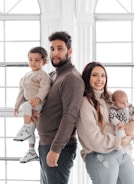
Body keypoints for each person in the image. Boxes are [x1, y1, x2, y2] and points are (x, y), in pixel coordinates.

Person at [77, 62, 134, 184]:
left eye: (103, 76)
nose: (100, 79)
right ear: (87, 77)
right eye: (95, 75)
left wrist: (132, 124)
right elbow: (93, 138)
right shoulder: (85, 103)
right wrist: (120, 141)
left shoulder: (111, 98)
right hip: (100, 155)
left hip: (121, 153)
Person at [35, 31, 84, 184]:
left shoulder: (71, 78)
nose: (55, 53)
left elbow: (70, 116)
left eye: (60, 48)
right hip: (45, 144)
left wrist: (56, 149)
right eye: (52, 48)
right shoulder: (53, 75)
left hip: (58, 148)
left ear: (70, 51)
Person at [13, 46, 51, 163]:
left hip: (38, 103)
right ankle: (31, 151)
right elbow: (21, 92)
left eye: (37, 60)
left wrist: (39, 98)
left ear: (44, 62)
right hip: (29, 104)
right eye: (31, 59)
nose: (33, 62)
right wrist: (16, 106)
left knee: (26, 109)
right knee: (31, 128)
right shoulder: (25, 76)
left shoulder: (42, 75)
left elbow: (46, 87)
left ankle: (26, 128)